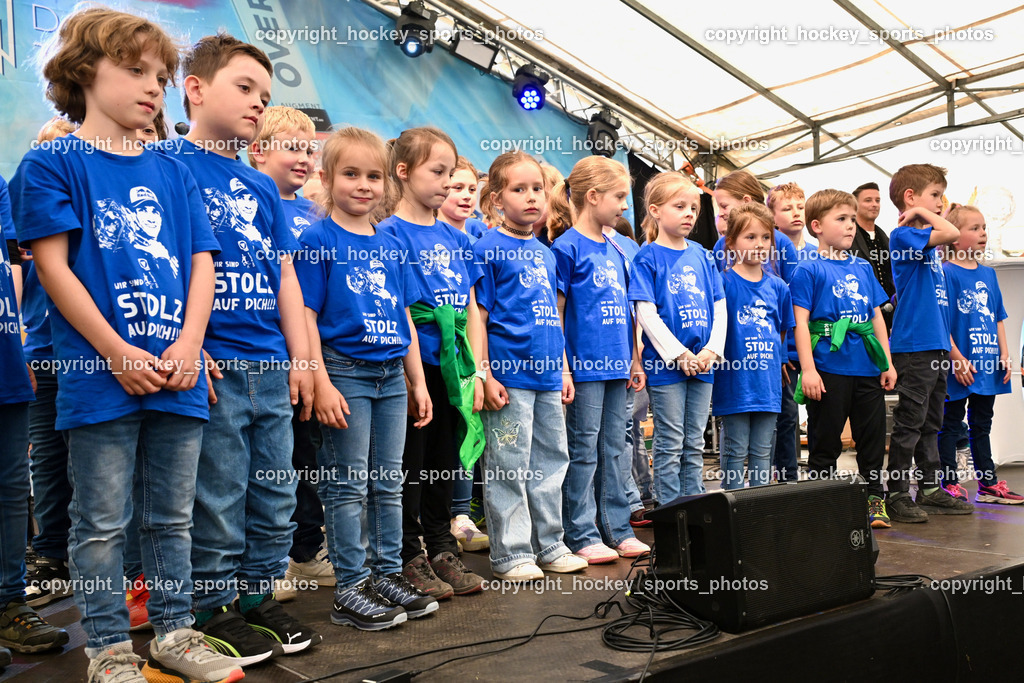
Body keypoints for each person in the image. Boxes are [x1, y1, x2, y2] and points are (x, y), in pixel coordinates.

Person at [10, 8, 241, 682]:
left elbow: (203, 260)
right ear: (83, 71)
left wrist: (191, 342)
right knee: (102, 521)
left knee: (172, 519)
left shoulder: (174, 169)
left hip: (179, 373)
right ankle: (108, 648)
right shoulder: (52, 162)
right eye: (136, 70)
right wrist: (116, 351)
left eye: (163, 77)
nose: (154, 88)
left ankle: (175, 632)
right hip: (98, 373)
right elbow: (52, 268)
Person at [158, 32, 320, 663]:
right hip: (217, 362)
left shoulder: (258, 187)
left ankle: (256, 597)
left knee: (274, 491)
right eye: (244, 88)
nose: (257, 104)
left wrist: (301, 360)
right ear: (194, 89)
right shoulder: (169, 166)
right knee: (219, 493)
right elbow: (165, 265)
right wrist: (187, 343)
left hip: (270, 363)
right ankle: (212, 606)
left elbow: (283, 276)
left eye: (265, 94)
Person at [295, 126, 438, 629]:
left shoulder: (391, 242)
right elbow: (306, 316)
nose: (363, 185)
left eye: (373, 176)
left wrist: (417, 382)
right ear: (327, 177)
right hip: (345, 372)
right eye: (351, 174)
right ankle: (350, 587)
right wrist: (321, 381)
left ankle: (385, 573)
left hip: (391, 377)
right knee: (347, 486)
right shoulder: (317, 239)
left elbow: (403, 315)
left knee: (387, 483)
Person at [378, 126, 486, 598]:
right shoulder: (389, 234)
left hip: (454, 367)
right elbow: (397, 310)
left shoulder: (456, 238)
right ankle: (407, 554)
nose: (446, 182)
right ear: (403, 172)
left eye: (451, 172)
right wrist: (414, 379)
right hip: (414, 369)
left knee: (446, 462)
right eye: (437, 172)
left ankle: (443, 546)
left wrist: (478, 371)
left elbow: (470, 309)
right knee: (410, 466)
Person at [473, 151, 587, 581]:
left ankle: (551, 544)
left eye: (537, 188)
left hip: (545, 376)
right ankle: (511, 552)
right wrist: (485, 373)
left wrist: (562, 371)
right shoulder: (487, 248)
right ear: (497, 200)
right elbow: (478, 319)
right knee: (508, 463)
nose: (531, 197)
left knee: (552, 458)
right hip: (509, 377)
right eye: (519, 189)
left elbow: (554, 318)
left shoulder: (547, 254)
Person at [549, 156, 650, 564]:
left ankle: (618, 528)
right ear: (592, 197)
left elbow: (629, 310)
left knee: (616, 447)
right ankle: (581, 531)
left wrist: (635, 358)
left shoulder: (624, 246)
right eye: (620, 196)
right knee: (583, 449)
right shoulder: (565, 248)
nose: (626, 205)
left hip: (618, 365)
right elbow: (555, 313)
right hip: (585, 368)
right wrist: (564, 367)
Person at [250, 106, 332, 600]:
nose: (304, 157)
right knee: (265, 465)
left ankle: (303, 550)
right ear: (259, 150)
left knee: (303, 460)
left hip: (309, 356)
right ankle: (267, 560)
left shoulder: (315, 213)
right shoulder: (253, 204)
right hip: (263, 352)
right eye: (292, 147)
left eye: (309, 148)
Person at [790, 190, 897, 528]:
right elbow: (801, 322)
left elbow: (876, 316)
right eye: (842, 219)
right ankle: (824, 501)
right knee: (825, 440)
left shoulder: (863, 267)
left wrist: (887, 363)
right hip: (828, 368)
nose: (851, 226)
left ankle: (873, 501)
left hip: (865, 365)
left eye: (852, 219)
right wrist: (808, 369)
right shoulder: (807, 270)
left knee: (871, 438)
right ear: (817, 226)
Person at [0, 173, 69, 665]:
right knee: (43, 460)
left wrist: (14, 340)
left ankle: (9, 602)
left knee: (9, 485)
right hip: (34, 349)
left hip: (9, 353)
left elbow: (12, 264)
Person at [885, 164, 975, 522]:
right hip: (914, 347)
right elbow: (953, 231)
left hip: (935, 346)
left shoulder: (929, 248)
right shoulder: (904, 235)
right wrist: (923, 212)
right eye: (935, 195)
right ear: (911, 198)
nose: (941, 202)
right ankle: (895, 492)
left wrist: (951, 352)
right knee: (910, 420)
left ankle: (929, 487)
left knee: (931, 422)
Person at [629, 172, 725, 505]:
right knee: (670, 441)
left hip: (704, 365)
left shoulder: (702, 254)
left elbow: (719, 304)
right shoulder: (647, 256)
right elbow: (646, 312)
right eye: (679, 206)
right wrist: (679, 354)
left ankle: (695, 509)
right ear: (655, 210)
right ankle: (671, 513)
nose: (689, 214)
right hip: (669, 367)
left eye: (694, 208)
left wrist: (712, 349)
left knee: (694, 442)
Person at [21, 117, 77, 609]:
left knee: (92, 464)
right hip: (43, 354)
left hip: (92, 358)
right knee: (49, 462)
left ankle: (87, 558)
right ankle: (50, 554)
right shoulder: (34, 189)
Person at [939, 206, 1021, 504]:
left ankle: (987, 483)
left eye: (983, 227)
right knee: (950, 423)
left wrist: (1005, 353)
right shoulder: (946, 273)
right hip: (960, 364)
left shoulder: (988, 274)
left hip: (987, 361)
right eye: (974, 228)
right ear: (954, 238)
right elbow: (942, 321)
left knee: (982, 423)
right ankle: (947, 482)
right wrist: (956, 357)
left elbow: (998, 316)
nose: (982, 233)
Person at [712, 204, 794, 490]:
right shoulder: (721, 283)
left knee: (762, 452)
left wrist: (776, 363)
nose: (759, 244)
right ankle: (732, 509)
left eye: (765, 237)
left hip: (767, 385)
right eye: (750, 237)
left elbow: (781, 331)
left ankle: (757, 511)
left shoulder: (779, 287)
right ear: (731, 242)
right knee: (734, 450)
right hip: (734, 382)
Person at [767, 182, 815, 482]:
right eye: (787, 208)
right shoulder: (770, 251)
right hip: (784, 349)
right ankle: (786, 477)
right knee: (785, 415)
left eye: (800, 206)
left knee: (812, 415)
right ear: (772, 216)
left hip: (813, 346)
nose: (796, 213)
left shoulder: (816, 252)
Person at [710, 170, 798, 280]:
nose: (720, 213)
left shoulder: (782, 243)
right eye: (751, 237)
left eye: (724, 206)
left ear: (746, 201)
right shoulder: (721, 245)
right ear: (731, 244)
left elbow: (794, 290)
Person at [848, 182, 895, 330]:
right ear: (855, 205)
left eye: (877, 200)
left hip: (890, 313)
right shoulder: (847, 238)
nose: (874, 204)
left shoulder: (887, 238)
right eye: (868, 200)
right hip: (862, 314)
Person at [441, 156, 488, 241]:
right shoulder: (418, 237)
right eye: (458, 188)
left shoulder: (479, 247)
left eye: (472, 190)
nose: (467, 196)